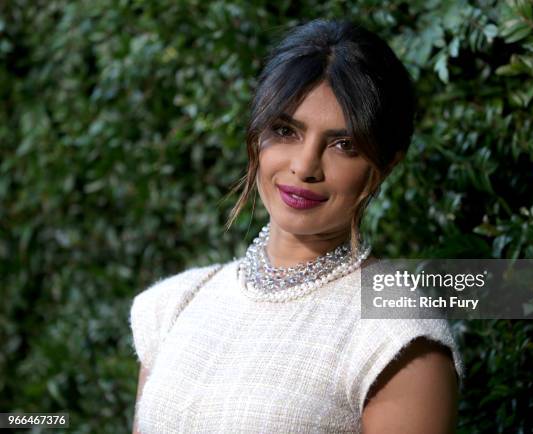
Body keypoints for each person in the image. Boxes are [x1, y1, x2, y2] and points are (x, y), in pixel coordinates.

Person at [130, 18, 464, 433]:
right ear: (256, 137)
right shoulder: (174, 305)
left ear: (384, 166)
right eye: (285, 131)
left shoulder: (394, 336)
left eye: (345, 145)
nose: (305, 166)